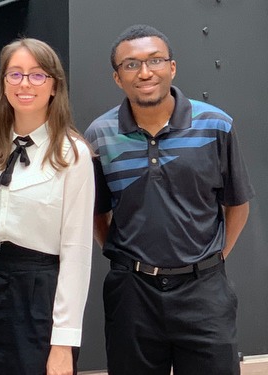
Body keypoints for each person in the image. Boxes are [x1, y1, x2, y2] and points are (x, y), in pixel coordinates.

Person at [84, 24, 255, 375]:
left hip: (204, 292)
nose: (145, 72)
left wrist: (214, 259)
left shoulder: (216, 125)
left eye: (155, 60)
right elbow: (96, 213)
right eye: (130, 65)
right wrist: (124, 259)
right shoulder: (100, 136)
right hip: (132, 295)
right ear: (117, 78)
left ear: (172, 68)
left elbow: (237, 204)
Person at [0, 38, 94, 375]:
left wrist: (64, 343)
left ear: (54, 86)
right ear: (3, 82)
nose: (25, 84)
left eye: (37, 76)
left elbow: (76, 253)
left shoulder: (72, 154)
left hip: (39, 297)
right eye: (15, 74)